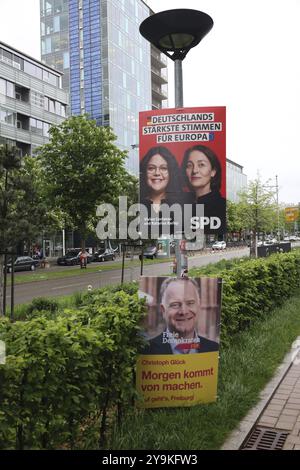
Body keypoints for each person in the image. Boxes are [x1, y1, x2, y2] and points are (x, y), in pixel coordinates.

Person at [142, 278, 219, 355]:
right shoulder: (147, 351)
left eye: (190, 303)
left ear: (199, 306)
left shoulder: (214, 349)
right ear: (163, 310)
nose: (184, 311)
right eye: (175, 304)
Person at [181, 145, 226, 234]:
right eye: (189, 165)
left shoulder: (221, 206)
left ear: (213, 171)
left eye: (201, 165)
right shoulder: (179, 203)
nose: (194, 170)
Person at [140, 146, 184, 236]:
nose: (157, 173)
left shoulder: (184, 204)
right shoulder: (139, 204)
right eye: (151, 168)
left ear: (171, 172)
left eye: (163, 168)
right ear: (144, 172)